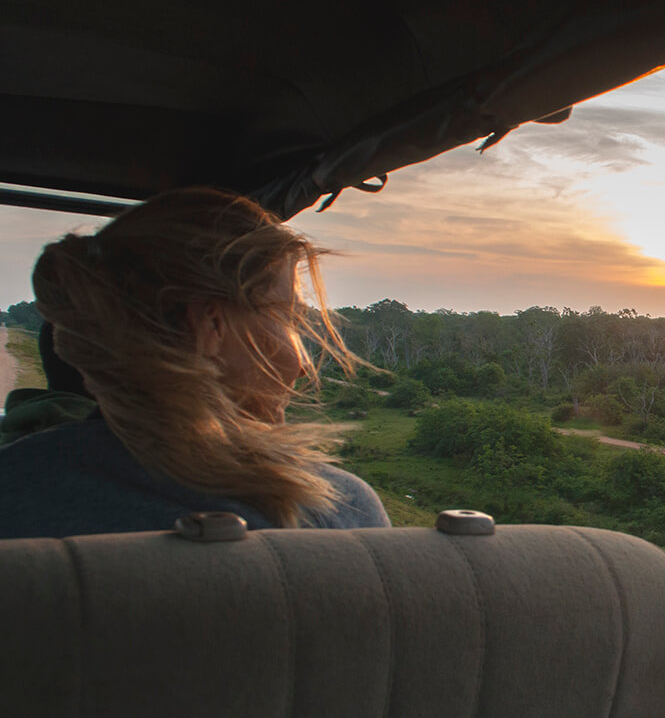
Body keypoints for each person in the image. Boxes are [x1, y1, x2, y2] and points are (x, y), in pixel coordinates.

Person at [0, 188, 389, 537]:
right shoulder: (333, 513)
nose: (302, 366)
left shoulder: (14, 477)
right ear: (210, 326)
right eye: (288, 318)